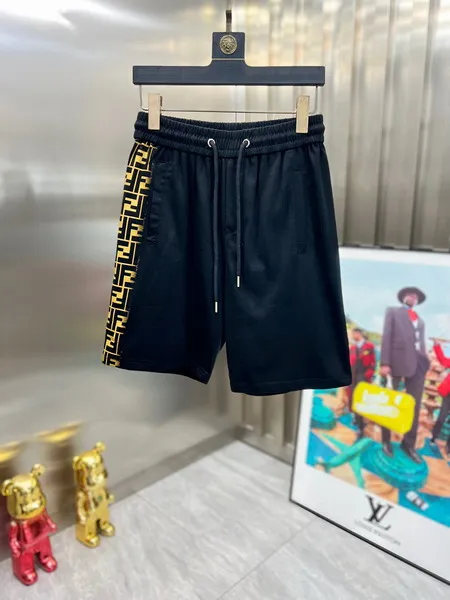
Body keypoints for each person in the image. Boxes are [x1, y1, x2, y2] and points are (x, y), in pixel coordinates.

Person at [379, 287, 429, 463]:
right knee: (389, 402)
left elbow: (421, 343)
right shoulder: (393, 312)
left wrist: (425, 361)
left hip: (418, 366)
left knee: (414, 406)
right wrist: (385, 363)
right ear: (404, 297)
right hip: (395, 362)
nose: (413, 297)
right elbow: (387, 336)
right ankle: (386, 441)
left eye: (416, 296)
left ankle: (408, 445)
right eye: (410, 295)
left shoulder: (421, 321)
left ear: (417, 301)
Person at [348, 328, 376, 440]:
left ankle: (361, 428)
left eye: (354, 334)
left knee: (361, 400)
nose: (352, 336)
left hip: (363, 376)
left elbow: (373, 363)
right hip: (353, 376)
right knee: (353, 399)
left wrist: (367, 375)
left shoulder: (369, 346)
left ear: (358, 334)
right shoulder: (352, 348)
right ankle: (357, 419)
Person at [430, 340, 450, 454]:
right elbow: (443, 360)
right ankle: (433, 438)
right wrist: (437, 346)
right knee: (441, 417)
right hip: (448, 394)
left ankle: (449, 447)